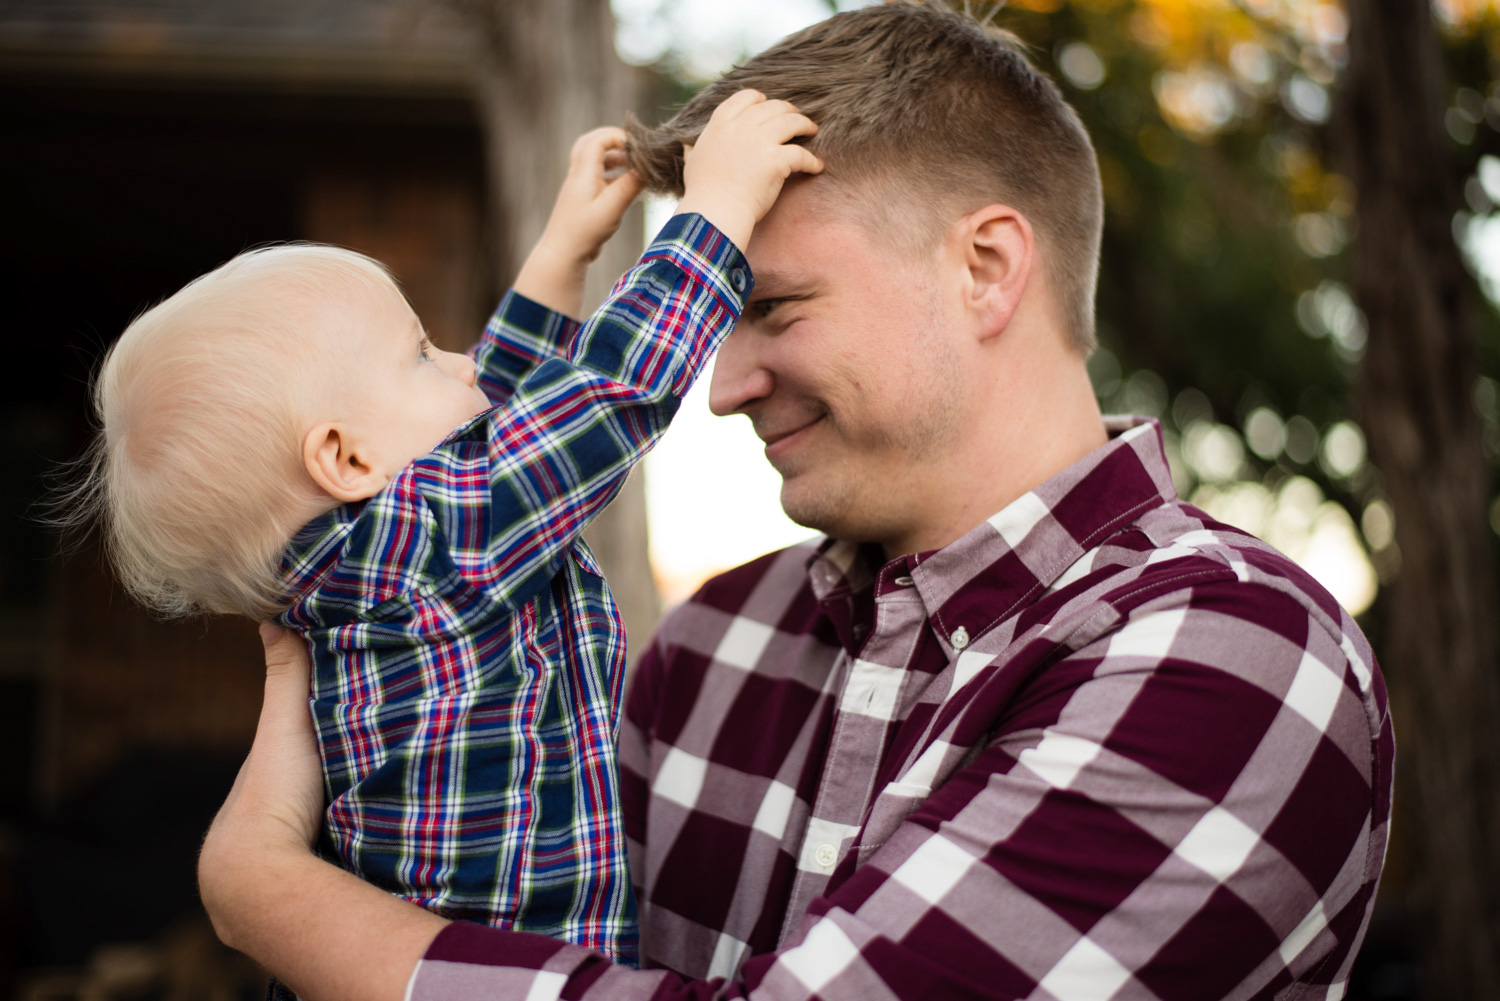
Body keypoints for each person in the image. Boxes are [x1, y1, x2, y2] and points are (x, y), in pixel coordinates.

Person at [198, 3, 1395, 999]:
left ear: (984, 268)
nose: (721, 385)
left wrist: (276, 896)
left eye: (771, 308)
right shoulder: (712, 643)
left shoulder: (1233, 654)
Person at [67, 93, 821, 961]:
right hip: (511, 971)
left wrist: (562, 252)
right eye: (420, 353)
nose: (460, 358)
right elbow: (609, 391)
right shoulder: (432, 551)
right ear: (345, 460)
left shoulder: (379, 564)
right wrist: (714, 211)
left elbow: (490, 414)